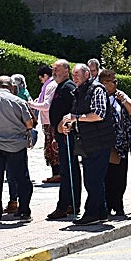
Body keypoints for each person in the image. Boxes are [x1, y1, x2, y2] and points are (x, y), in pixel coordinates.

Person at [59, 63, 112, 225]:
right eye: (73, 75)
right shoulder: (79, 91)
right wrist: (70, 125)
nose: (74, 78)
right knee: (93, 179)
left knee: (92, 180)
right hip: (87, 142)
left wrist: (75, 117)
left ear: (87, 75)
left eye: (77, 75)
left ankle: (92, 213)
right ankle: (101, 212)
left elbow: (98, 114)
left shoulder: (96, 89)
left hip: (99, 142)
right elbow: (79, 115)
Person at [0, 75, 35, 223]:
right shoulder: (19, 101)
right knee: (22, 179)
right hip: (16, 145)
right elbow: (29, 124)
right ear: (11, 87)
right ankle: (24, 211)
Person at [99, 69, 131, 217]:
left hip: (122, 143)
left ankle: (119, 205)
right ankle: (107, 205)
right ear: (104, 83)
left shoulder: (119, 95)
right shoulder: (99, 96)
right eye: (113, 81)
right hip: (106, 143)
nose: (116, 83)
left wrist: (124, 100)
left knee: (120, 177)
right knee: (107, 176)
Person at [46, 59, 81, 221]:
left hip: (68, 135)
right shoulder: (61, 86)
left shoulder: (69, 87)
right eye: (53, 69)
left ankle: (67, 205)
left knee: (68, 171)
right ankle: (69, 204)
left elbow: (75, 108)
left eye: (57, 70)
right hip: (61, 135)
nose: (54, 72)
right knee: (68, 170)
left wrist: (63, 126)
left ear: (66, 71)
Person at [31, 63, 60, 184]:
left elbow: (46, 105)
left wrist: (30, 104)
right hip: (48, 121)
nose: (41, 82)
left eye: (41, 78)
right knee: (51, 147)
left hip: (50, 121)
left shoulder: (50, 86)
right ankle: (56, 173)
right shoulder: (49, 85)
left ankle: (57, 173)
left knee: (53, 148)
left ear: (45, 75)